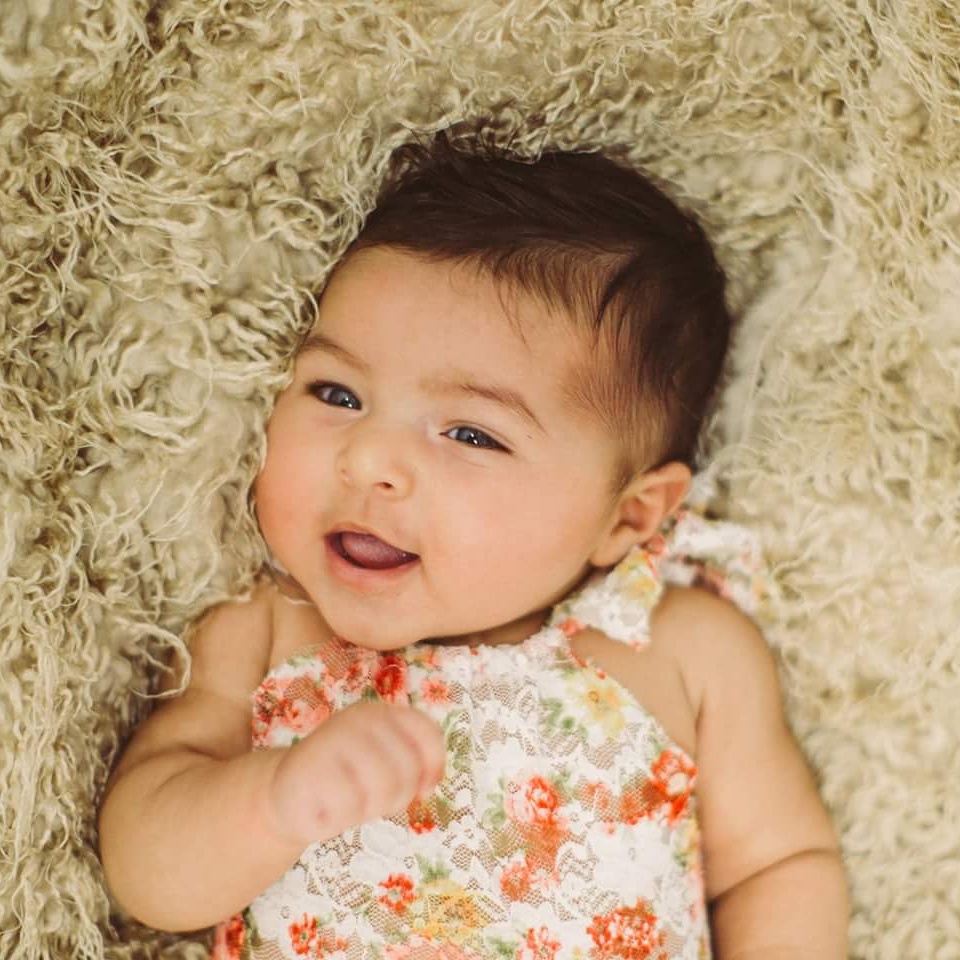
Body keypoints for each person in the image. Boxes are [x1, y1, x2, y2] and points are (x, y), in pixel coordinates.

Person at [98, 126, 848, 960]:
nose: (370, 459)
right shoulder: (263, 629)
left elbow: (778, 865)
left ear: (628, 518)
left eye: (470, 433)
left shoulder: (682, 648)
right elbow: (145, 874)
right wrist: (271, 802)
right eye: (337, 393)